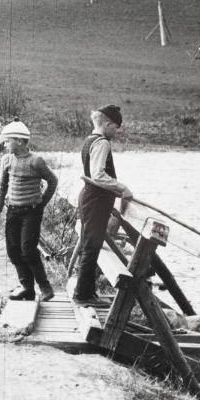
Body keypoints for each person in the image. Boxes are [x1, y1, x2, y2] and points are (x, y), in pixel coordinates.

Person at [0, 120, 59, 302]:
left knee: (27, 250)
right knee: (13, 250)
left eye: (7, 141)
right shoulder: (7, 160)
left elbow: (52, 181)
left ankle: (45, 287)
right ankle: (26, 288)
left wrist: (42, 203)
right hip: (12, 211)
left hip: (31, 212)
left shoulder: (36, 161)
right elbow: (2, 185)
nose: (4, 145)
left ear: (20, 141)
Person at [73, 105, 133, 305]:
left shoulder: (89, 139)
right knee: (92, 246)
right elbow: (98, 174)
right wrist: (121, 188)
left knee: (90, 244)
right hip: (96, 199)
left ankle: (86, 291)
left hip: (90, 197)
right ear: (107, 124)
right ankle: (83, 295)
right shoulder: (102, 143)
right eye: (115, 128)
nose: (115, 132)